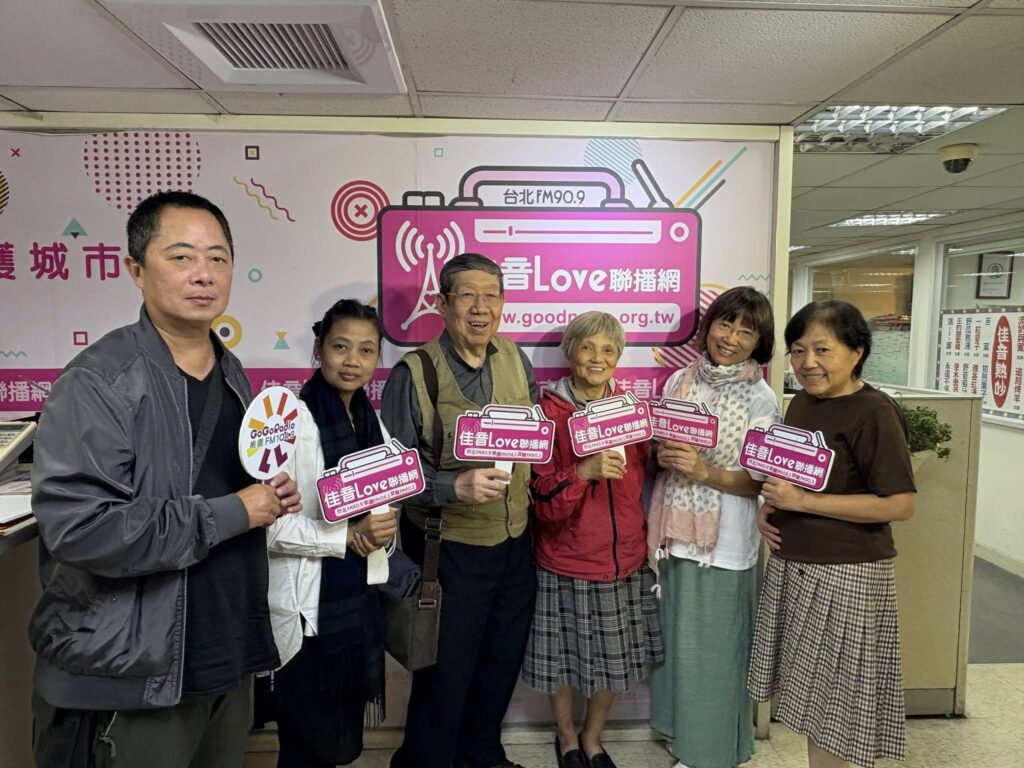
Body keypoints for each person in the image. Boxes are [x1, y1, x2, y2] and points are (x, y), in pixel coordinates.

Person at [28, 190, 301, 768]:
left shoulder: (233, 373)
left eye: (218, 258)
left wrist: (271, 496)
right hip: (130, 673)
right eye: (181, 257)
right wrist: (236, 511)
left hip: (224, 656)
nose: (204, 274)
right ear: (136, 270)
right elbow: (81, 529)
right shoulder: (99, 380)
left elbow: (224, 487)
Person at [381, 252, 538, 768]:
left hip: (515, 542)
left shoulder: (515, 358)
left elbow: (534, 436)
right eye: (467, 295)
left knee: (500, 663)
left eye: (491, 296)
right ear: (442, 303)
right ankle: (426, 761)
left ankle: (481, 754)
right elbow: (394, 475)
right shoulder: (414, 373)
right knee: (444, 673)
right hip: (449, 550)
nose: (480, 308)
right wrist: (453, 485)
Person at [748, 300, 917, 768]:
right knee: (817, 705)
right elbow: (795, 477)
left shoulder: (874, 412)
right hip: (798, 567)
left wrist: (804, 504)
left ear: (857, 351)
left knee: (840, 708)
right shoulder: (804, 402)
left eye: (823, 350)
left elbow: (900, 505)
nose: (808, 363)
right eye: (798, 350)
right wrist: (771, 508)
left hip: (848, 575)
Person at [647, 287, 779, 768]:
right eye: (726, 324)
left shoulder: (761, 397)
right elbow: (661, 445)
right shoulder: (680, 379)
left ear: (759, 343)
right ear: (708, 327)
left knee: (718, 654)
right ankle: (682, 735)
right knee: (679, 648)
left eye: (747, 331)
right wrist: (664, 454)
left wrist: (704, 472)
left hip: (723, 545)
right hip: (674, 537)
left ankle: (711, 754)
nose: (731, 337)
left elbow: (760, 481)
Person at [524, 312, 664, 768]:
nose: (597, 358)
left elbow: (649, 477)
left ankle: (592, 736)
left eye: (608, 349)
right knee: (561, 660)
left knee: (612, 661)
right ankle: (565, 735)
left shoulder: (633, 412)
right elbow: (540, 499)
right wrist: (582, 471)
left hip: (624, 559)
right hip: (565, 558)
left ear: (619, 357)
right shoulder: (547, 413)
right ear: (570, 353)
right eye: (587, 347)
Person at [266, 299, 399, 768]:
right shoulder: (288, 420)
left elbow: (386, 501)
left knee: (338, 742)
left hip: (356, 606)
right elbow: (269, 526)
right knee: (306, 746)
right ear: (319, 348)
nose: (352, 361)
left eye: (366, 350)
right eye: (340, 347)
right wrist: (345, 537)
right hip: (306, 611)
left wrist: (383, 528)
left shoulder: (371, 420)